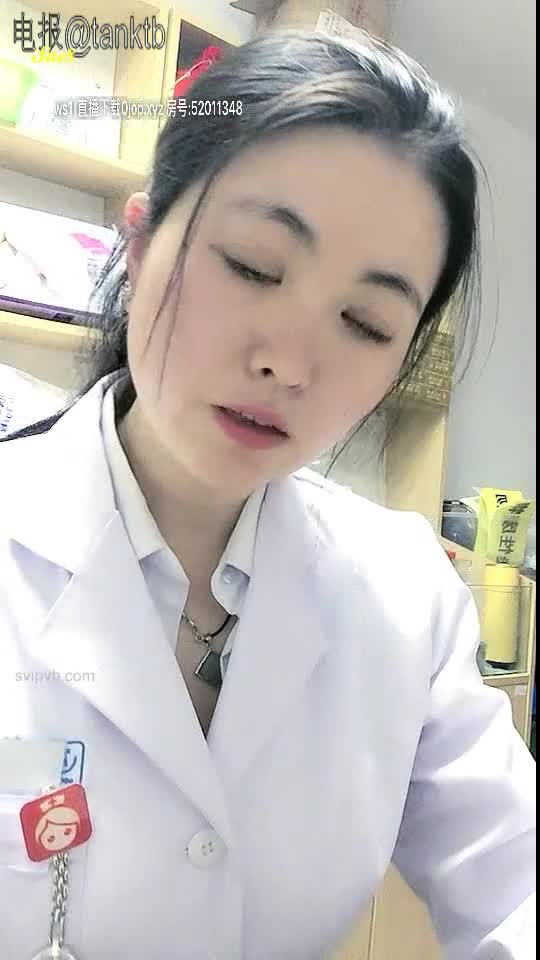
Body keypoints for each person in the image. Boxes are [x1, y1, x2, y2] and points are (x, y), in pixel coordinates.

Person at [0, 28, 535, 960]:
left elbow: (516, 884)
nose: (289, 361)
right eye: (252, 266)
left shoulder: (403, 595)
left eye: (366, 321)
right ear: (141, 242)